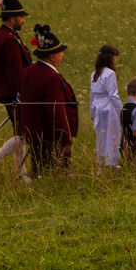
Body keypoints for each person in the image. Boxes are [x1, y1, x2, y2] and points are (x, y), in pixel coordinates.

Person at [18, 24, 79, 176]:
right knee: (56, 176)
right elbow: (56, 110)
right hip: (51, 138)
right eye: (60, 52)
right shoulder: (51, 78)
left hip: (33, 134)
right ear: (52, 56)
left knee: (38, 172)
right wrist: (65, 138)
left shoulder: (27, 72)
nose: (62, 55)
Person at [0, 0, 32, 175]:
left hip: (6, 92)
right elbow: (16, 73)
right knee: (24, 134)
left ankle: (20, 172)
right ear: (12, 18)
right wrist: (22, 94)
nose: (23, 20)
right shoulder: (10, 40)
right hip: (14, 94)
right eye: (21, 17)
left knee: (19, 133)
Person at [90, 44, 122, 167]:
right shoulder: (110, 73)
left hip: (97, 106)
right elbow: (113, 94)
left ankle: (102, 161)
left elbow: (92, 95)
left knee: (101, 136)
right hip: (109, 108)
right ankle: (112, 162)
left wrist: (92, 112)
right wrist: (121, 111)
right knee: (112, 135)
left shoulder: (94, 73)